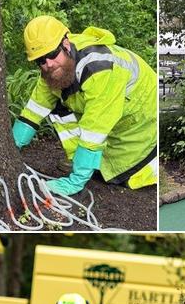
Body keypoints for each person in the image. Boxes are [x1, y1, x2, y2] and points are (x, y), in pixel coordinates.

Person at [11, 15, 157, 196]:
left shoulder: (99, 69)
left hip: (142, 121)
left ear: (65, 43)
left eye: (51, 54)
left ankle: (87, 169)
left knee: (127, 173)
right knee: (58, 107)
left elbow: (94, 129)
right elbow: (32, 112)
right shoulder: (55, 71)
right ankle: (84, 163)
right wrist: (10, 149)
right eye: (40, 60)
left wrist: (76, 180)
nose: (48, 64)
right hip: (118, 118)